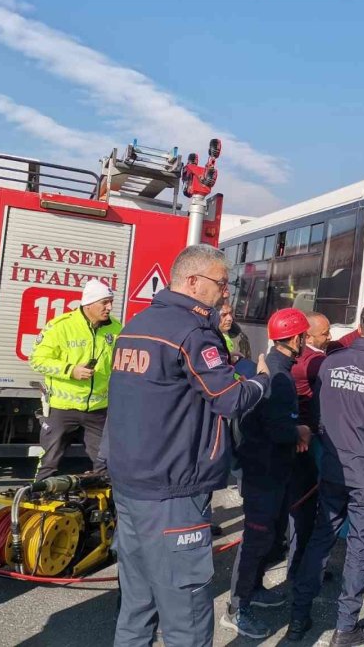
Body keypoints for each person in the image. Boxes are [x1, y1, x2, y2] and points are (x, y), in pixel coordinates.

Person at [105, 244, 270, 647]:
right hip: (174, 490)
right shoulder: (192, 333)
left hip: (130, 485)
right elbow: (230, 398)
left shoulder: (137, 324)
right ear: (193, 282)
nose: (226, 292)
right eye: (221, 283)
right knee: (188, 617)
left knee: (137, 606)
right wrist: (262, 380)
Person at [286, 303, 364, 646]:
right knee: (359, 547)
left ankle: (298, 617)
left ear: (359, 326)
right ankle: (345, 628)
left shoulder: (331, 362)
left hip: (334, 467)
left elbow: (321, 415)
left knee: (321, 538)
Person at [223, 308, 312, 639]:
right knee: (257, 539)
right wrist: (299, 430)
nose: (304, 340)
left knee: (268, 536)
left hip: (266, 468)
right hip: (264, 471)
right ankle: (237, 608)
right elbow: (277, 429)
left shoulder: (276, 367)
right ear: (294, 338)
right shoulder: (279, 376)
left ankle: (254, 589)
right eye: (303, 335)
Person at [29, 279, 121, 480]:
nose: (110, 307)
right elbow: (36, 360)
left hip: (98, 409)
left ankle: (103, 509)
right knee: (48, 463)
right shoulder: (60, 327)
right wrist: (71, 370)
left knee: (105, 465)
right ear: (89, 304)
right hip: (62, 408)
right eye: (104, 302)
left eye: (111, 301)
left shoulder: (116, 329)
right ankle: (36, 502)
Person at [287, 311, 332, 579]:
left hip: (302, 437)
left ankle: (299, 562)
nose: (330, 337)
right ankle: (302, 567)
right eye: (325, 333)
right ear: (307, 336)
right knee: (306, 508)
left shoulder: (301, 358)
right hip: (309, 438)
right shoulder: (315, 363)